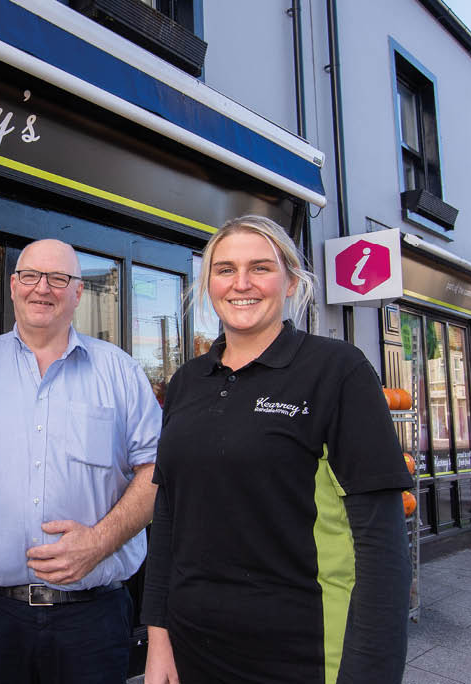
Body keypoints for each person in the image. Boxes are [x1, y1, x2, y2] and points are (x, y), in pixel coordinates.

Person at [142, 215, 412, 684]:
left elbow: (381, 543)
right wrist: (158, 638)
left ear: (290, 282)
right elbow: (168, 516)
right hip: (192, 649)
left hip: (302, 653)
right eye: (224, 270)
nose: (241, 283)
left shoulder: (337, 370)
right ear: (208, 284)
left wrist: (369, 671)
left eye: (260, 268)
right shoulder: (187, 382)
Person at [0, 238, 161, 684]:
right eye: (30, 276)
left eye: (59, 278)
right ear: (14, 285)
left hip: (92, 620)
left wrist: (99, 541)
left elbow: (157, 471)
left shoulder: (120, 372)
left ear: (78, 292)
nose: (43, 288)